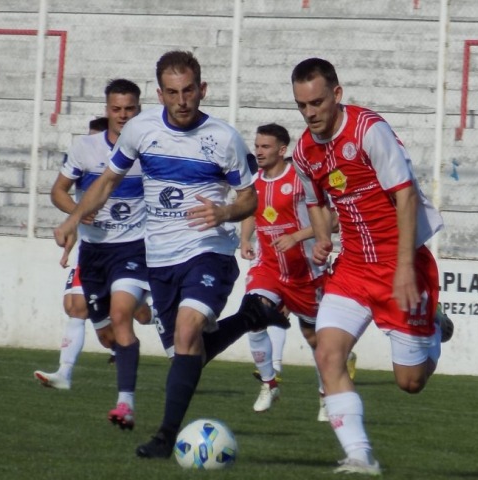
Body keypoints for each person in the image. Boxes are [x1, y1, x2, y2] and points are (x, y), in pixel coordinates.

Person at [52, 51, 290, 459]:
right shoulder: (141, 130)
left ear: (202, 89)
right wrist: (74, 218)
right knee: (186, 351)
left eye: (189, 91)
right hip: (158, 257)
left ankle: (165, 436)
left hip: (207, 249)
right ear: (160, 94)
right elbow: (108, 180)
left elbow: (248, 198)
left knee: (185, 333)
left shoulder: (223, 138)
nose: (182, 100)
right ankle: (251, 316)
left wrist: (226, 211)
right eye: (173, 92)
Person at [290, 58, 454, 476]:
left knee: (410, 383)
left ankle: (433, 324)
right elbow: (316, 201)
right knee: (328, 354)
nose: (310, 113)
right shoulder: (304, 151)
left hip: (400, 263)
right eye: (302, 105)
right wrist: (323, 237)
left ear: (337, 95)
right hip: (353, 268)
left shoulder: (367, 130)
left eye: (317, 102)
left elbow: (407, 197)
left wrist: (403, 268)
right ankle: (360, 456)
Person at [36, 79, 150, 431]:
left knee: (120, 316)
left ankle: (125, 404)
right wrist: (76, 212)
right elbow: (58, 191)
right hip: (94, 253)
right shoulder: (85, 149)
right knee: (105, 333)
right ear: (107, 110)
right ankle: (156, 311)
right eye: (116, 109)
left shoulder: (149, 149)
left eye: (130, 109)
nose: (123, 115)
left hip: (134, 247)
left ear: (138, 110)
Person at [240, 123, 356, 416]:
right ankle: (270, 383)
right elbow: (249, 211)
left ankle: (325, 395)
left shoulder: (301, 177)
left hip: (306, 272)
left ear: (282, 150)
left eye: (265, 147)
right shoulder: (254, 181)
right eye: (257, 146)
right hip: (269, 268)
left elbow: (332, 219)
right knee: (252, 316)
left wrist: (297, 237)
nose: (259, 151)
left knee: (317, 339)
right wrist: (244, 238)